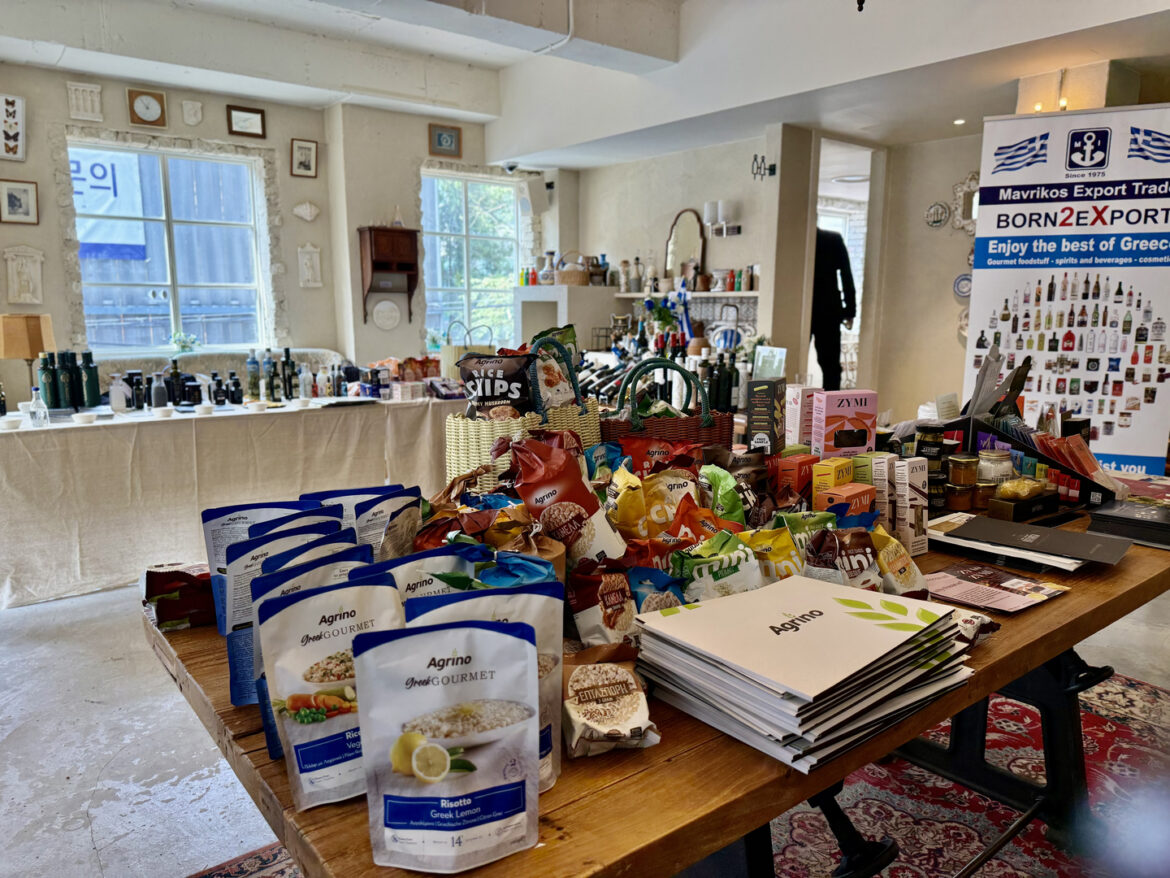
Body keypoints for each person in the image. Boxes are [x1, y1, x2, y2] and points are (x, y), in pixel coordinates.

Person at [811, 227, 856, 391]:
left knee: (828, 365)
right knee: (830, 366)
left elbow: (846, 274)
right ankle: (830, 403)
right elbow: (846, 274)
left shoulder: (797, 239)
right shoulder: (832, 239)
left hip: (805, 306)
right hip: (828, 307)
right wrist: (850, 310)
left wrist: (850, 310)